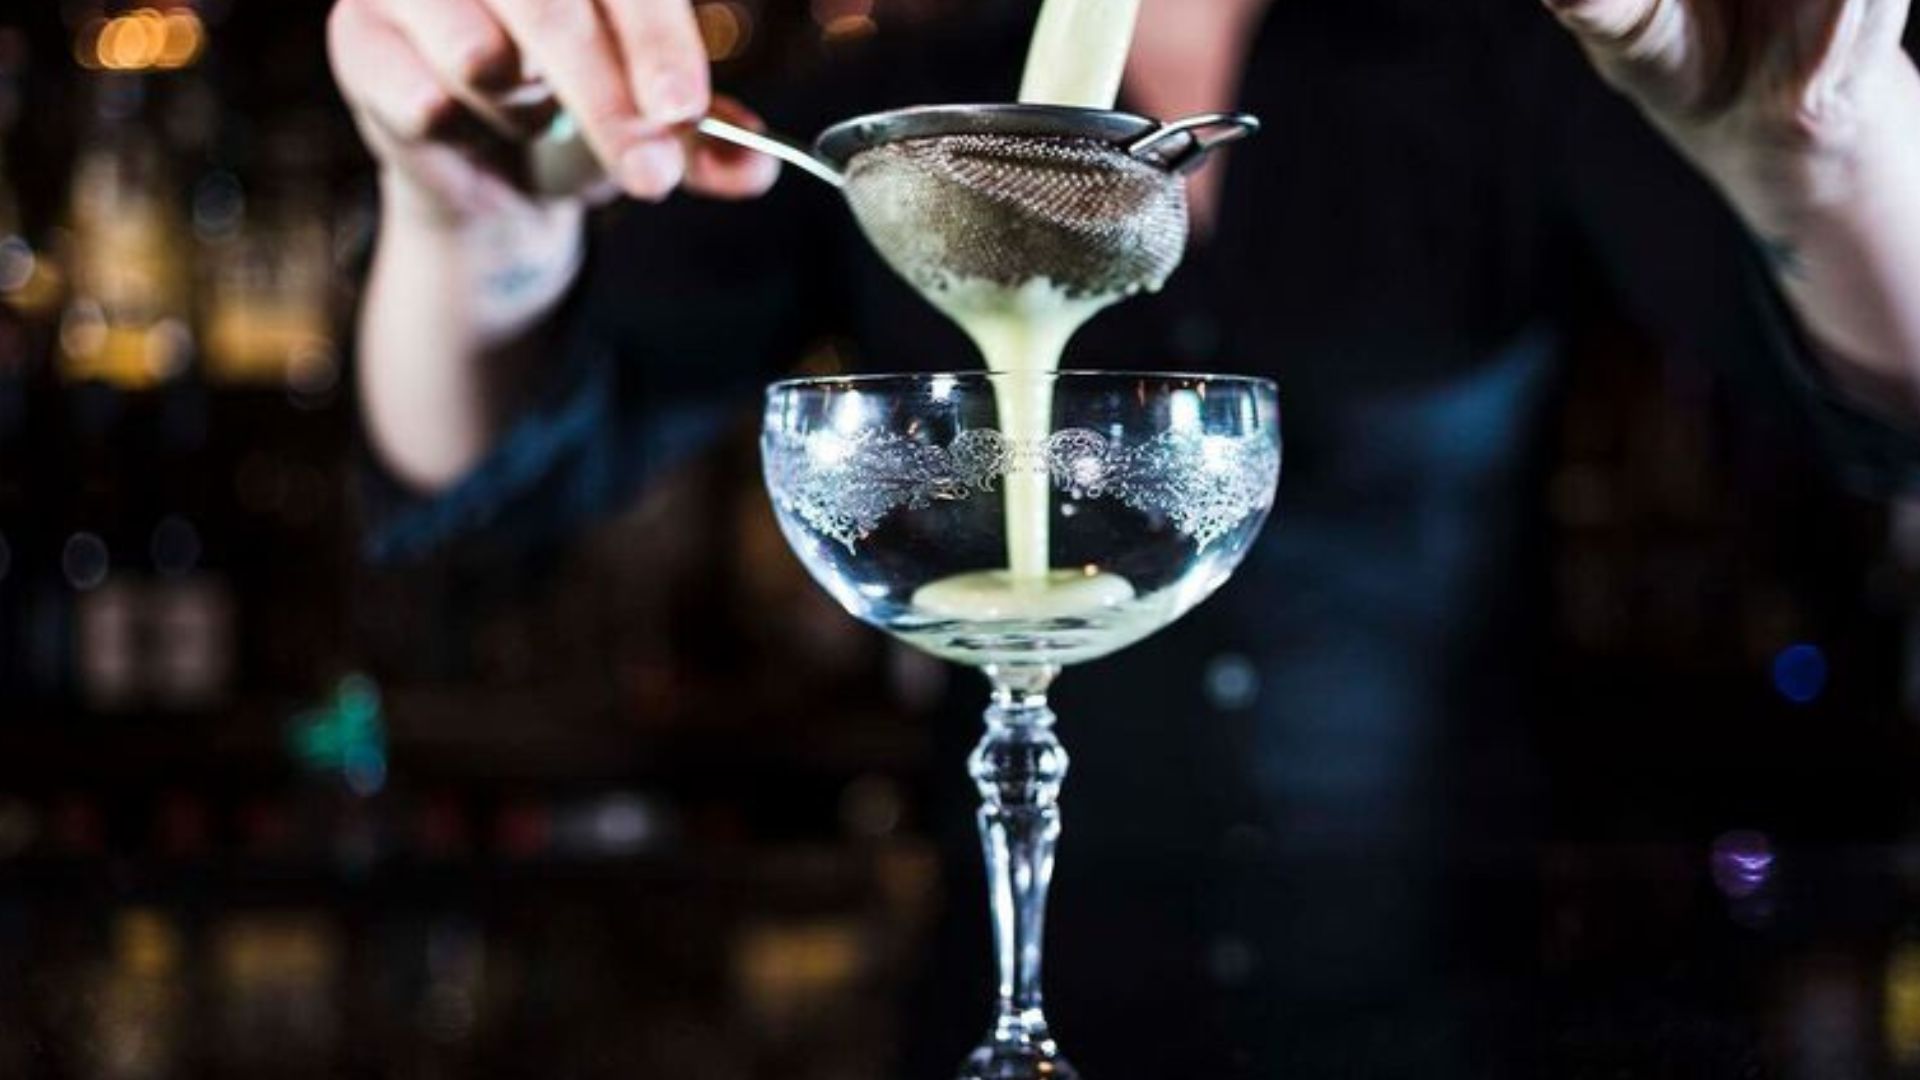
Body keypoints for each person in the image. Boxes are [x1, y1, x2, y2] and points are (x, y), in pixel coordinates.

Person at [327, 0, 1920, 1073]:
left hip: (1457, 1013)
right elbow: (496, 473)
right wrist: (467, 223)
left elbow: (1882, 419)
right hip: (995, 1012)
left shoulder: (1511, 61)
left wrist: (1828, 163)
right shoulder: (891, 92)